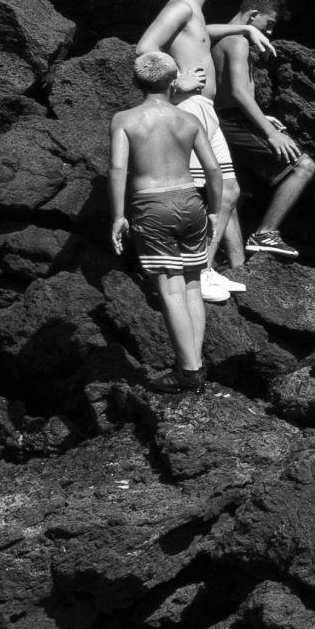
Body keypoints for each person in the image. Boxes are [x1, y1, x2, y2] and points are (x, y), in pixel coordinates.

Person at [134, 0, 273, 303]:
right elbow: (145, 46)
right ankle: (193, 272)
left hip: (205, 109)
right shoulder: (180, 6)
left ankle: (205, 269)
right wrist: (175, 80)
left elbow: (202, 32)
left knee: (228, 191)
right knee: (200, 192)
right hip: (190, 106)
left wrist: (243, 26)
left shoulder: (192, 10)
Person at [110, 51, 224, 392]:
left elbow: (118, 168)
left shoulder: (125, 119)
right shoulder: (188, 120)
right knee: (191, 283)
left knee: (170, 287)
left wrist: (118, 215)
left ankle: (189, 372)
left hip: (152, 205)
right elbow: (214, 169)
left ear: (135, 82)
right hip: (190, 202)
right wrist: (215, 210)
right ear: (174, 81)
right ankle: (195, 362)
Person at [212, 0, 315, 262]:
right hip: (231, 120)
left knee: (233, 196)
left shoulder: (222, 38)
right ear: (253, 14)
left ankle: (235, 264)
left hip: (224, 118)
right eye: (269, 24)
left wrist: (259, 115)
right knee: (303, 166)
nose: (270, 31)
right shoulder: (237, 41)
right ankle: (265, 233)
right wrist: (270, 133)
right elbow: (237, 92)